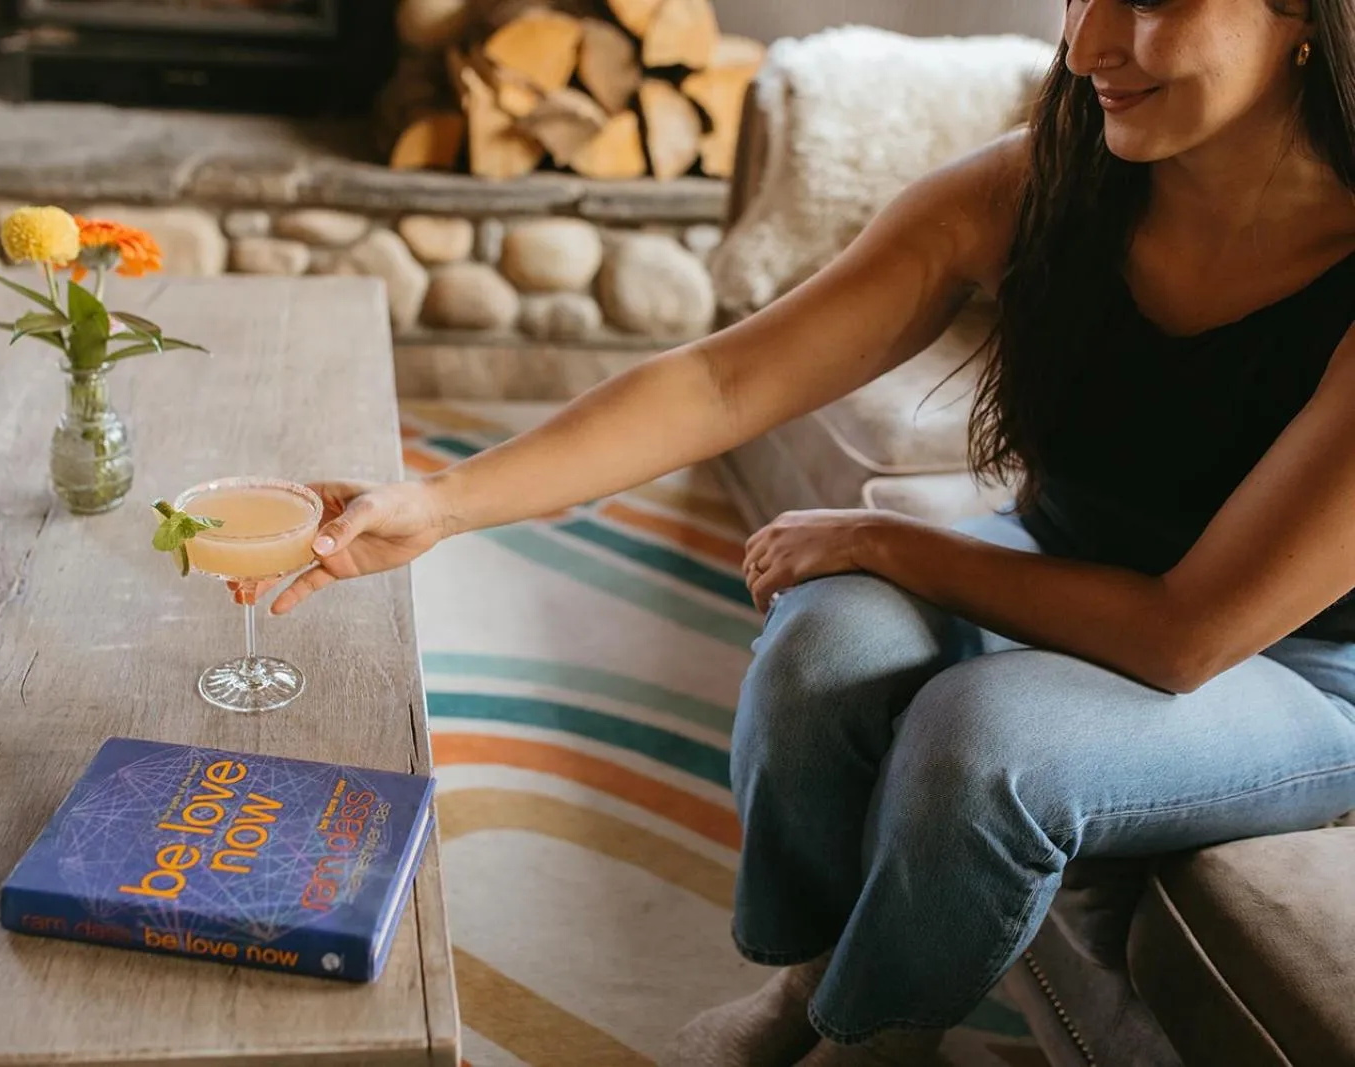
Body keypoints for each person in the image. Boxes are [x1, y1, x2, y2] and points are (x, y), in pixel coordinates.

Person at [255, 1, 1355, 1063]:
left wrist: (888, 541)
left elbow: (1183, 635)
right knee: (826, 641)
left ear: (1304, 14)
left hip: (1287, 669)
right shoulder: (1043, 183)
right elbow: (725, 380)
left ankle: (872, 1041)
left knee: (984, 739)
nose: (1086, 44)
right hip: (1059, 559)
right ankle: (819, 979)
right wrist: (438, 503)